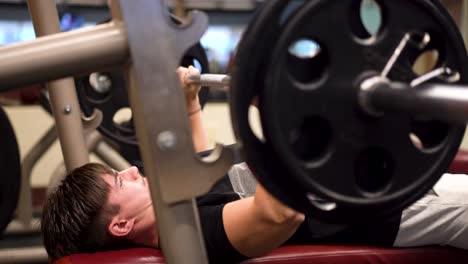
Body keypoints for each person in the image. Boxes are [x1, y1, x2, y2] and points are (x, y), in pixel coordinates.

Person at [41, 67, 468, 263]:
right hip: (396, 211)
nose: (132, 170)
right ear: (119, 226)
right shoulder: (197, 237)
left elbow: (205, 163)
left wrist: (190, 103)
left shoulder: (178, 213)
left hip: (379, 185)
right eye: (120, 180)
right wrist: (274, 122)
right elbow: (279, 212)